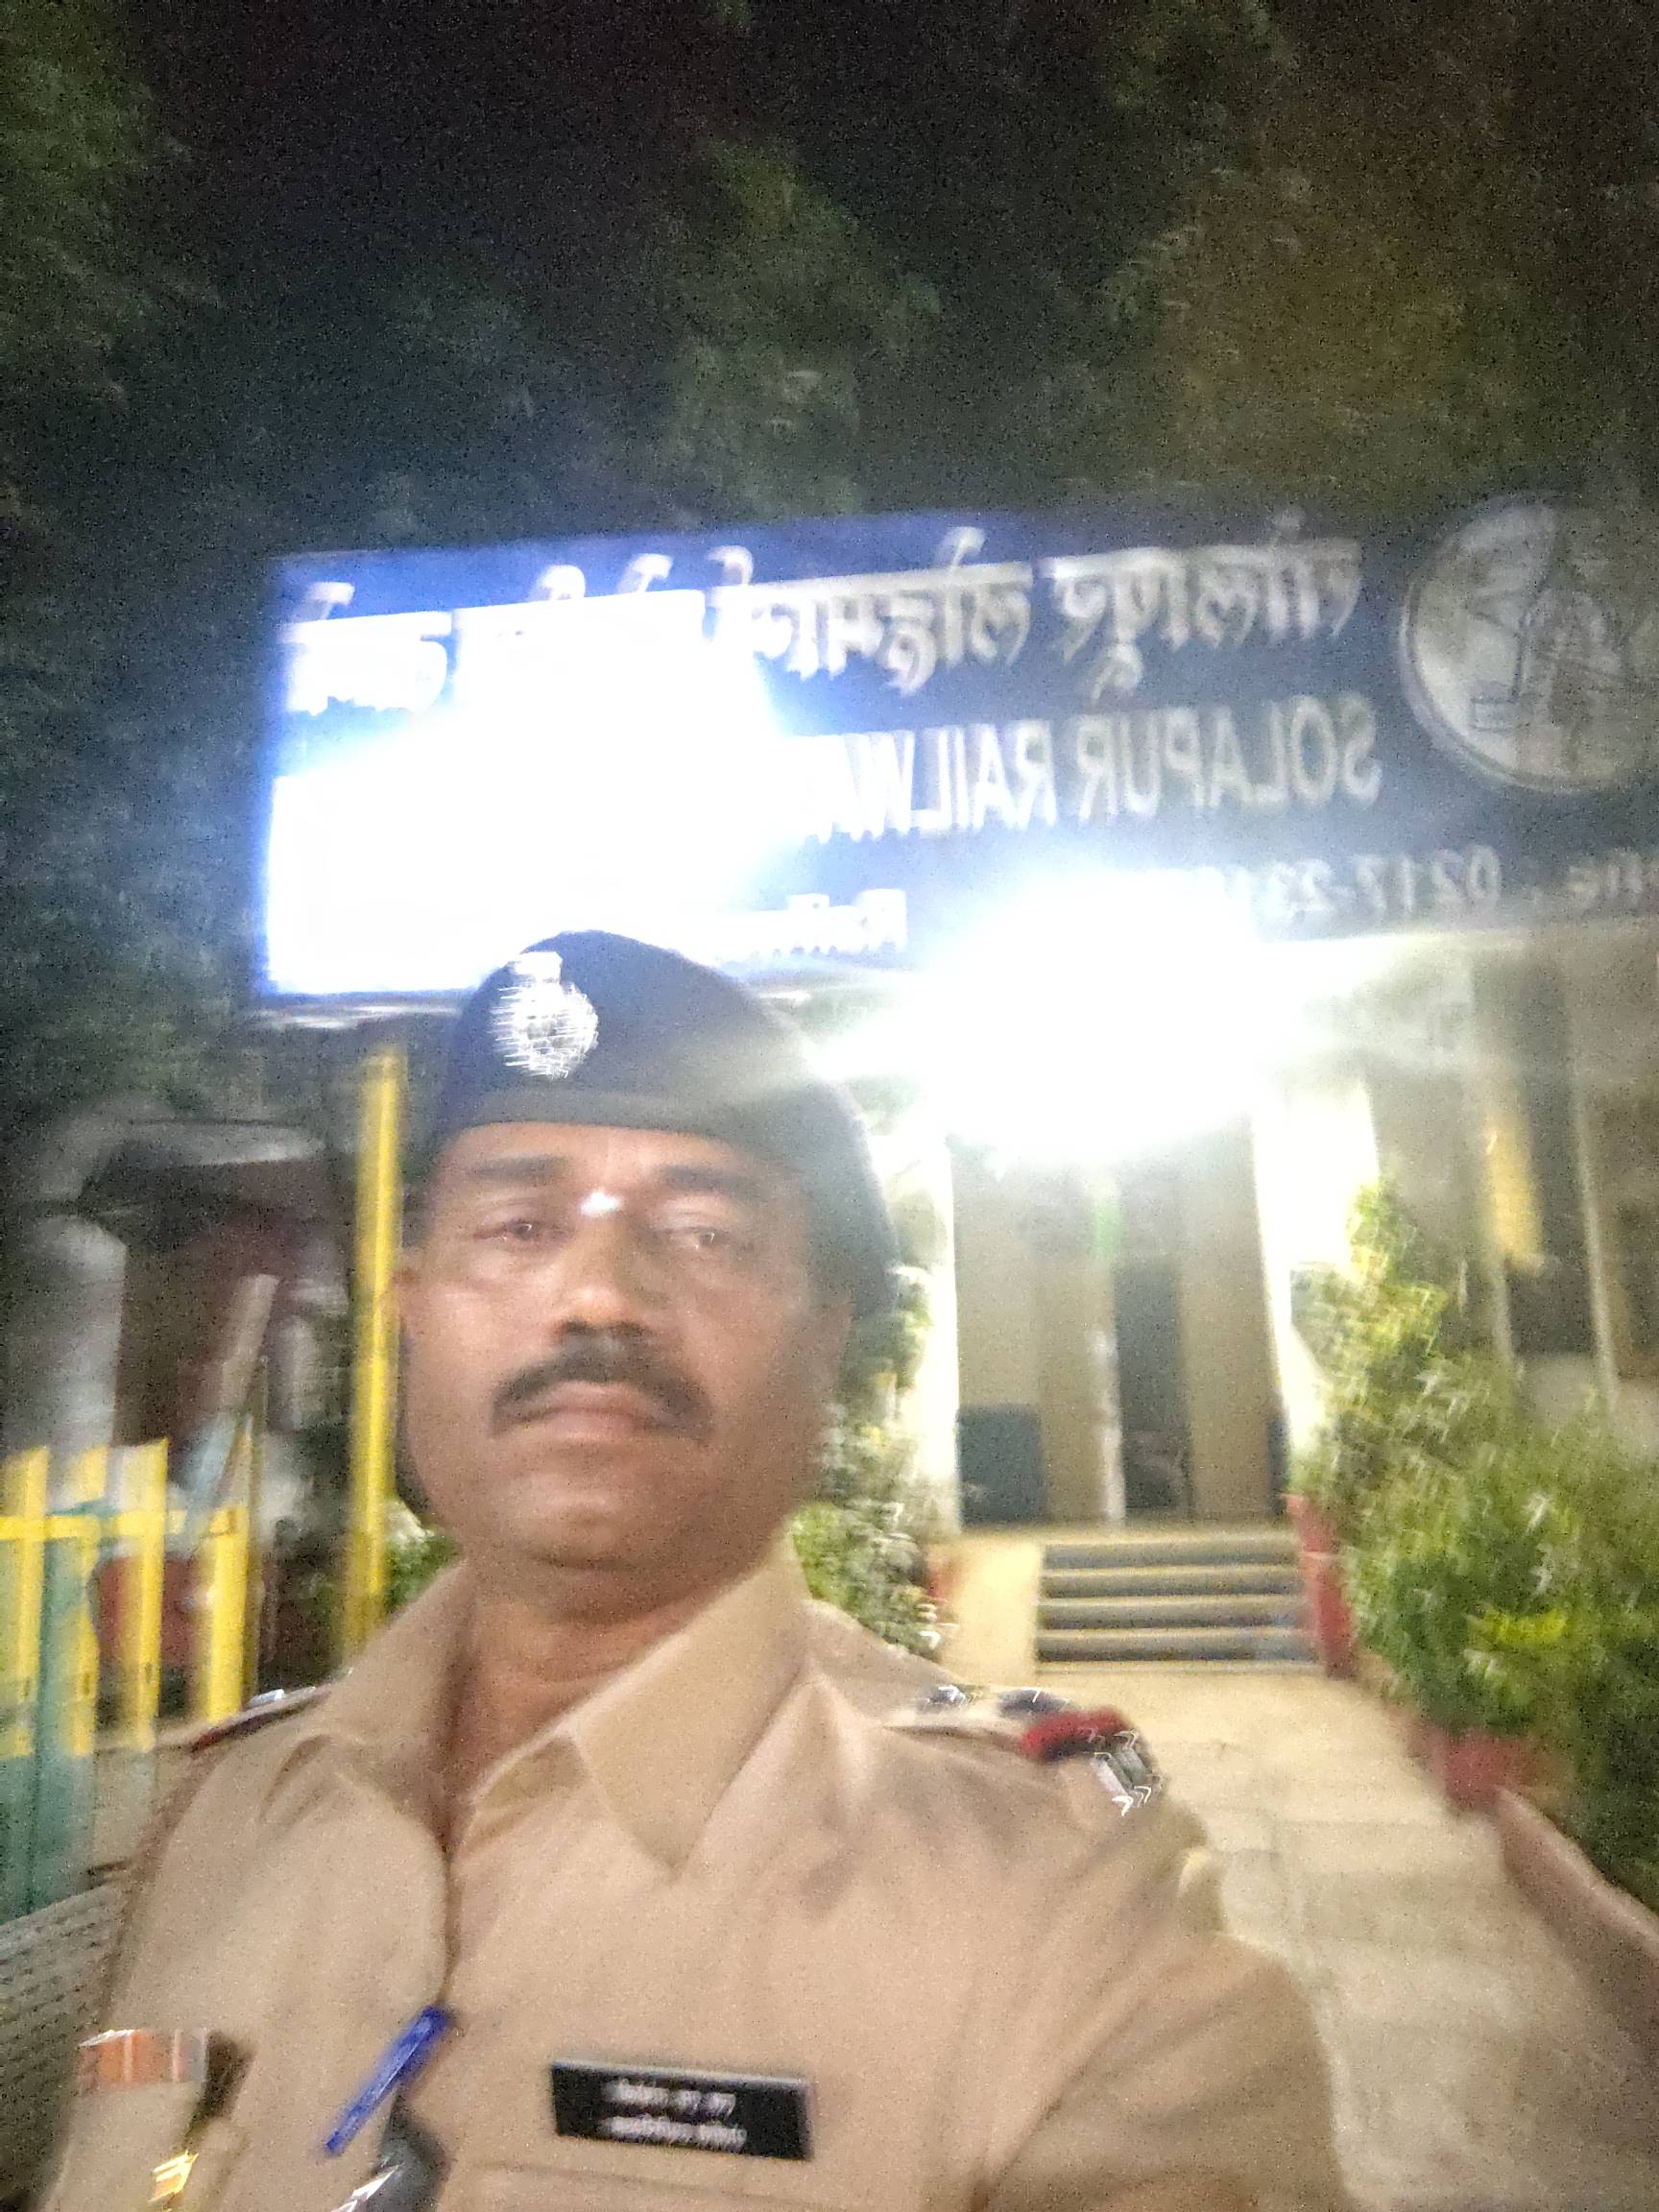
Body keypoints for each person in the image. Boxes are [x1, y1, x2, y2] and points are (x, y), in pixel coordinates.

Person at [43, 931, 1351, 2212]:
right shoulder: (225, 1824)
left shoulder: (1061, 1910)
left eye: (707, 1234)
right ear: (412, 1307)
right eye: (518, 1224)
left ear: (824, 1339)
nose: (599, 1296)